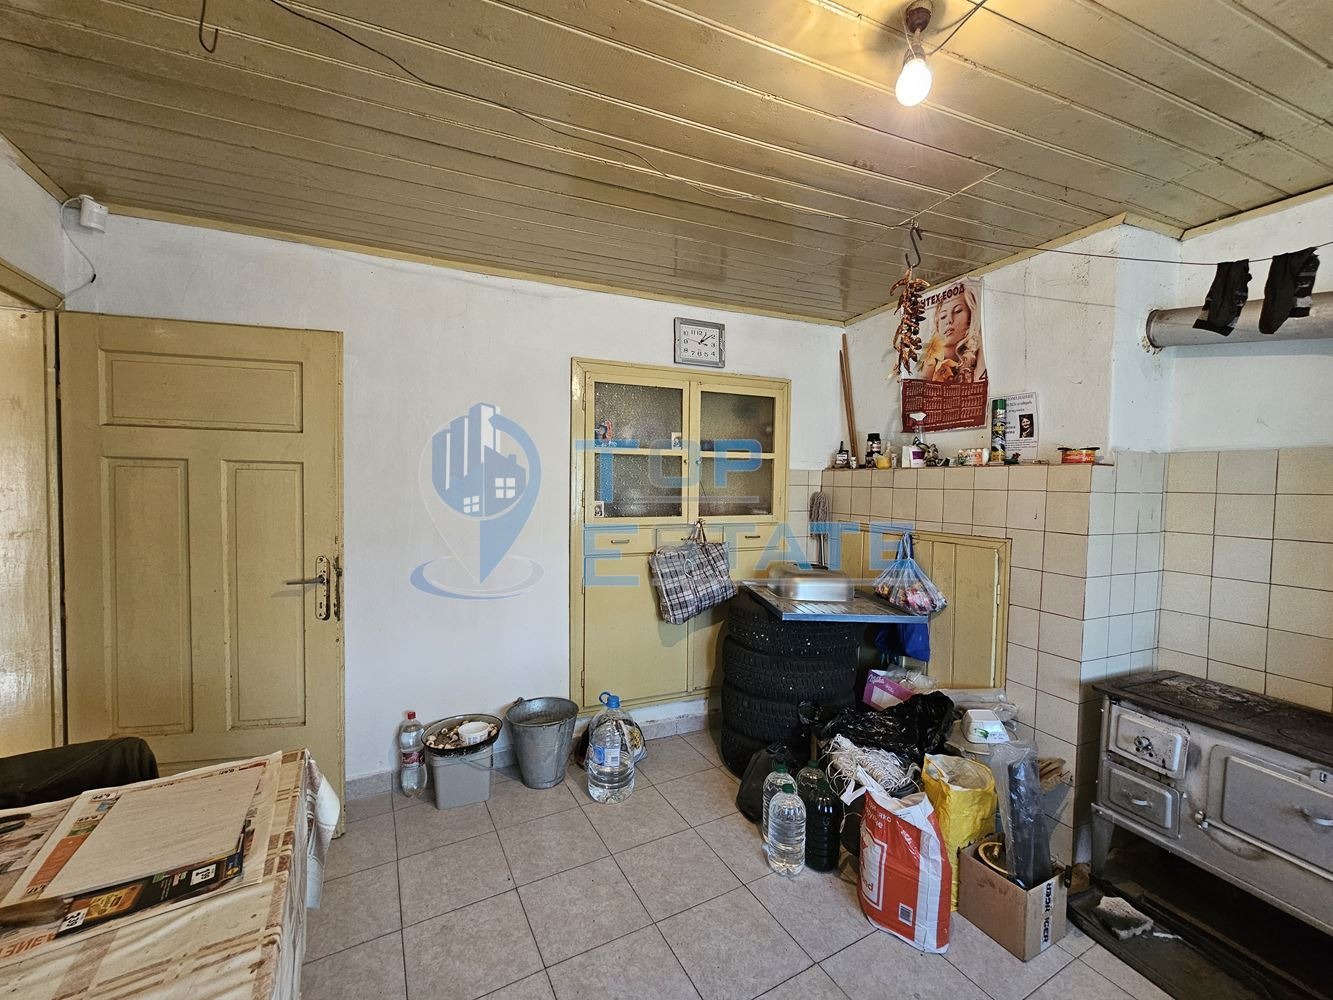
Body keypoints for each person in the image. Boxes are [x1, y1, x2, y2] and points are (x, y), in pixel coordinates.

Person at [920, 285, 985, 383]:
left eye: (957, 311)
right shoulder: (931, 360)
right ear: (937, 325)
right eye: (943, 316)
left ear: (970, 316)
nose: (949, 320)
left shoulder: (979, 350)